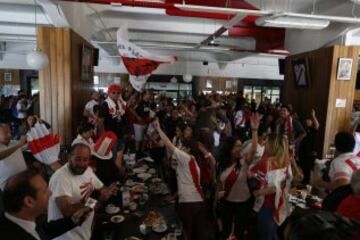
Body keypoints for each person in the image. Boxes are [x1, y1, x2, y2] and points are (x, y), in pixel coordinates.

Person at [153, 119, 214, 240]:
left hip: (188, 203)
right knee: (197, 233)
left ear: (188, 150)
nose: (180, 149)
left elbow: (169, 145)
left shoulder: (186, 158)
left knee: (185, 232)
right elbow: (187, 183)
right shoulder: (193, 161)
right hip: (199, 200)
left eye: (182, 148)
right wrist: (174, 196)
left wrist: (158, 129)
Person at [47, 143, 119, 240]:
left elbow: (102, 189)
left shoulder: (87, 171)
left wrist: (107, 191)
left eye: (85, 159)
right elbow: (68, 212)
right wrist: (97, 199)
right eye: (77, 159)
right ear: (69, 157)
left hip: (83, 234)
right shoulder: (61, 178)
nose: (81, 163)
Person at [0, 170, 91, 240]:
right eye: (44, 191)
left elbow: (43, 230)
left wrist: (72, 220)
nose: (50, 193)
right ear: (29, 202)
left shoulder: (18, 219)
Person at [250, 132, 292, 240]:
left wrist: (258, 192)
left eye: (267, 142)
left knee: (266, 236)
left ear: (272, 145)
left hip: (266, 206)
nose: (265, 144)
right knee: (273, 235)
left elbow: (274, 187)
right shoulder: (285, 162)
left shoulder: (268, 162)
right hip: (278, 205)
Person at [0, 123, 27, 190]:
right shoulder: (17, 144)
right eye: (6, 133)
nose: (10, 135)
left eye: (10, 132)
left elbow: (27, 146)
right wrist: (18, 145)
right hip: (8, 185)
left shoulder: (14, 142)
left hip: (23, 179)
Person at [298, 109, 319, 184]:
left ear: (311, 122)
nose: (307, 122)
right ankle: (305, 180)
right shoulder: (303, 129)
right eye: (306, 121)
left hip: (309, 151)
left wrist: (313, 116)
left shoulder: (313, 129)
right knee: (303, 165)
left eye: (309, 121)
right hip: (302, 150)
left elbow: (317, 125)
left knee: (308, 167)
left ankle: (307, 182)